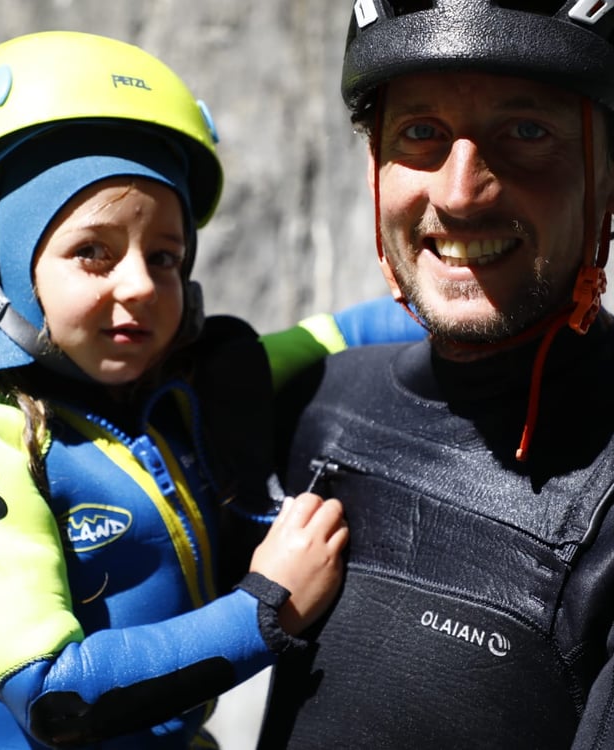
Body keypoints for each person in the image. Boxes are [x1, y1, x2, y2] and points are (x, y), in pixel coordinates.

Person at [0, 31, 422, 750]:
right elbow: (55, 697)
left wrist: (461, 294)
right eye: (92, 252)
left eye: (164, 256)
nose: (140, 284)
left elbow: (339, 334)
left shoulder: (183, 388)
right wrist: (267, 607)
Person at [258, 2, 614, 749]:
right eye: (420, 132)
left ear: (606, 175)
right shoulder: (319, 405)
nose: (459, 192)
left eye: (527, 132)